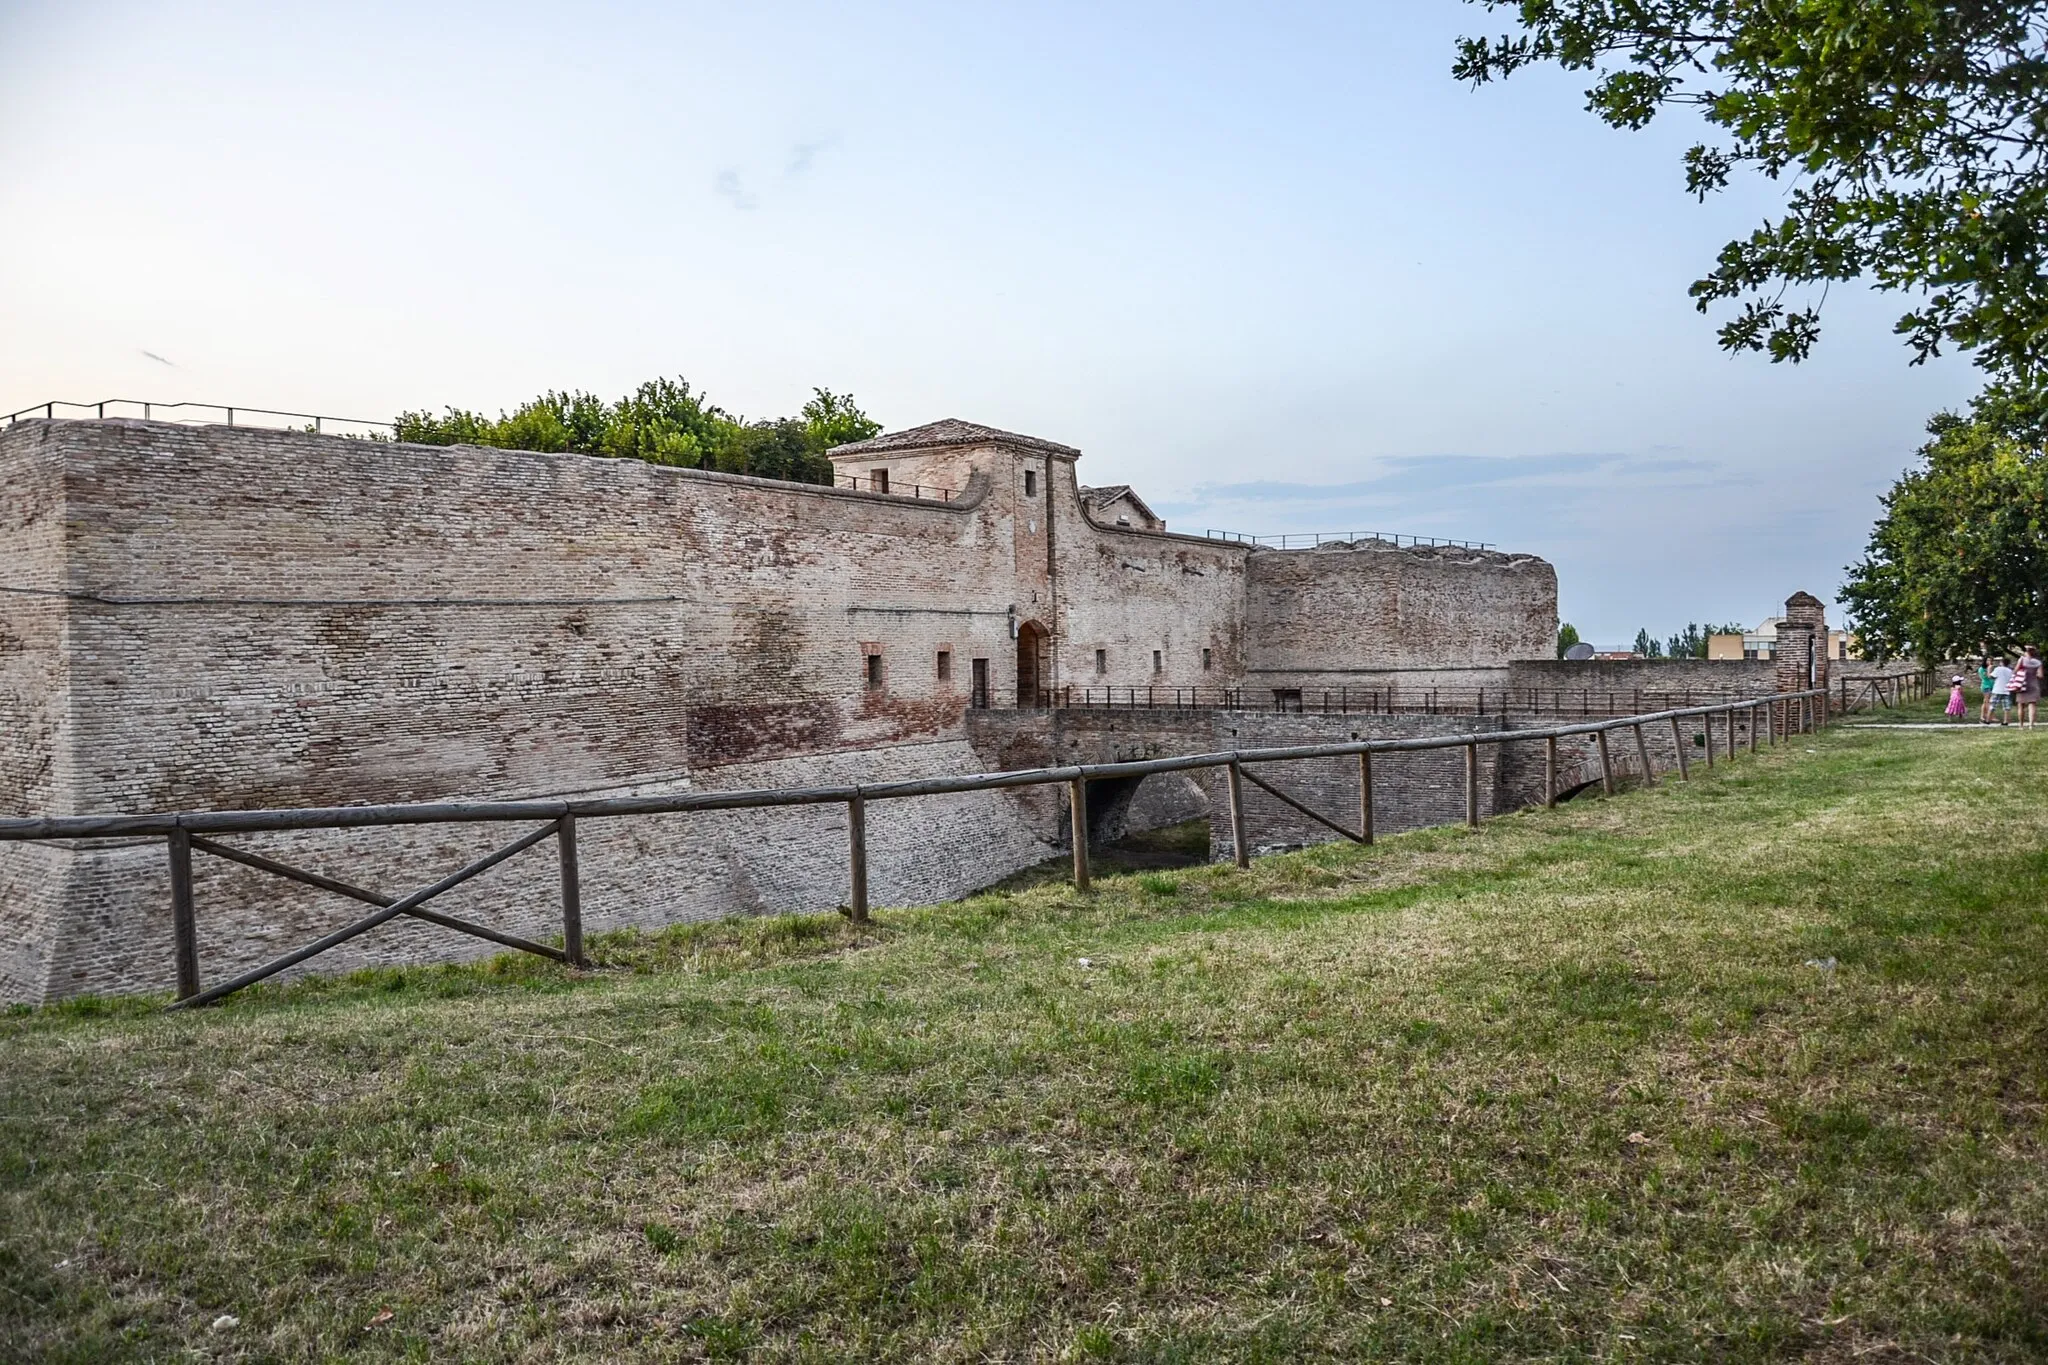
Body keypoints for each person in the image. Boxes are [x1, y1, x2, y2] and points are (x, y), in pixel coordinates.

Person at [2019, 645, 2043, 729]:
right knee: (2032, 704)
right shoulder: (2038, 662)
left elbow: (2015, 671)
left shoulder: (2021, 660)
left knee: (2021, 705)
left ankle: (2021, 725)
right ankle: (2030, 725)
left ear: (2026, 652)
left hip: (2022, 683)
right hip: (2033, 684)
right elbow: (2040, 675)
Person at [1990, 656, 2016, 726]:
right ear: (2008, 664)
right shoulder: (2010, 671)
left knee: (1992, 705)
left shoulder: (1998, 669)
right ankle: (2005, 721)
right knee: (2006, 707)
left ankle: (1988, 719)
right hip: (2006, 690)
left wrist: (1989, 670)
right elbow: (2012, 679)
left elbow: (1991, 676)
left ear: (2001, 663)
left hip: (1997, 689)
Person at [1980, 658, 1997, 723]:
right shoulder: (1982, 669)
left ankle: (1982, 716)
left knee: (1985, 701)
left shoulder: (1992, 668)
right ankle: (1990, 716)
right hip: (1986, 686)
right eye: (1988, 660)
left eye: (1991, 660)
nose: (1990, 662)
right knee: (1988, 701)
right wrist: (1989, 669)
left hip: (1992, 686)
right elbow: (1986, 677)